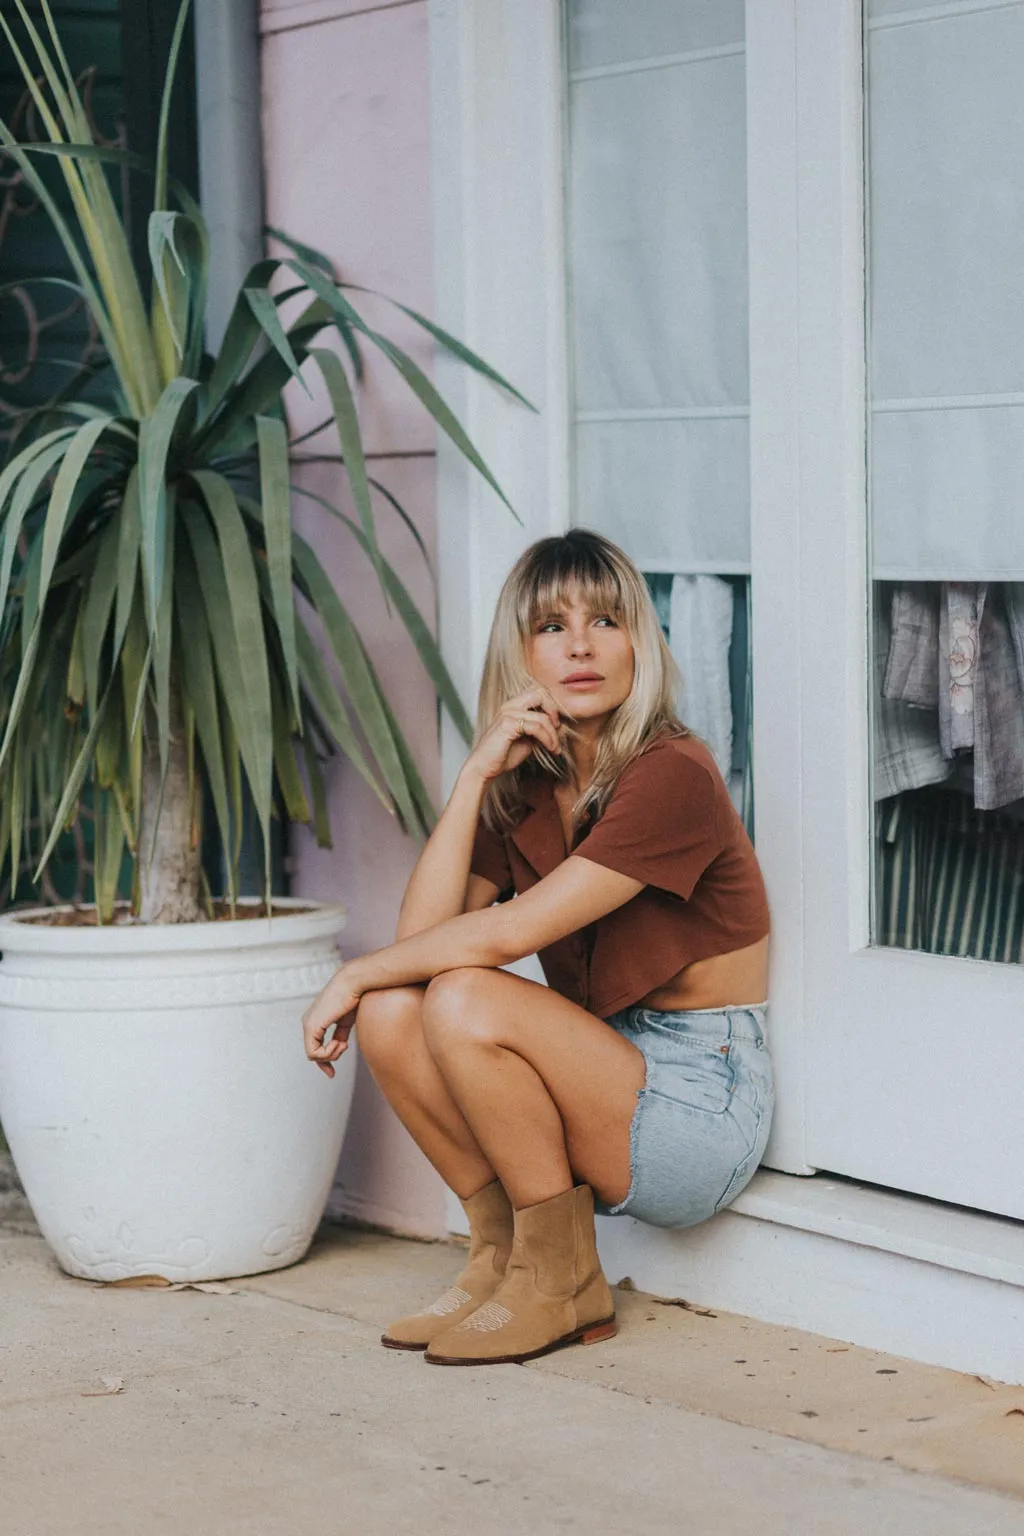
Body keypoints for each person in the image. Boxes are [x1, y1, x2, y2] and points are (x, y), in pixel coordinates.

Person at [301, 529, 773, 1368]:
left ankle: (561, 1283)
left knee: (463, 995)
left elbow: (508, 935)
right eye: (553, 626)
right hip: (610, 1067)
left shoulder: (672, 774)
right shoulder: (530, 783)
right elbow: (420, 944)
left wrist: (350, 970)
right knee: (392, 1010)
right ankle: (503, 1259)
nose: (581, 645)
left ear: (642, 643)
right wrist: (475, 776)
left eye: (607, 621)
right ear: (522, 653)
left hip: (700, 1102)